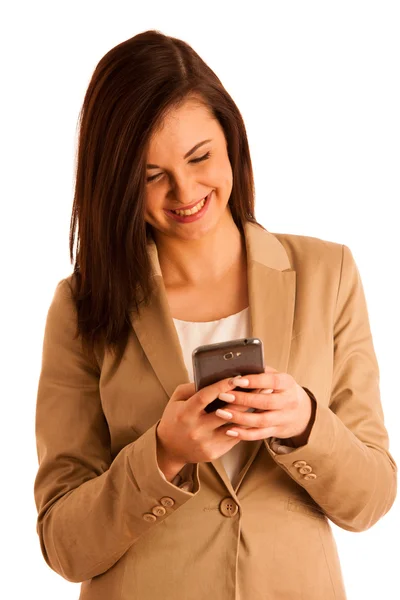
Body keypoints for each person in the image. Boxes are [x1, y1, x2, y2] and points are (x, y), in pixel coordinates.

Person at [33, 30, 397, 600]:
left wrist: (304, 421)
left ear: (231, 138)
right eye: (152, 175)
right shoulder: (82, 306)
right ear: (118, 181)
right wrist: (163, 455)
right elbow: (63, 543)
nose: (185, 190)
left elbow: (371, 499)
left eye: (200, 156)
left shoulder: (329, 273)